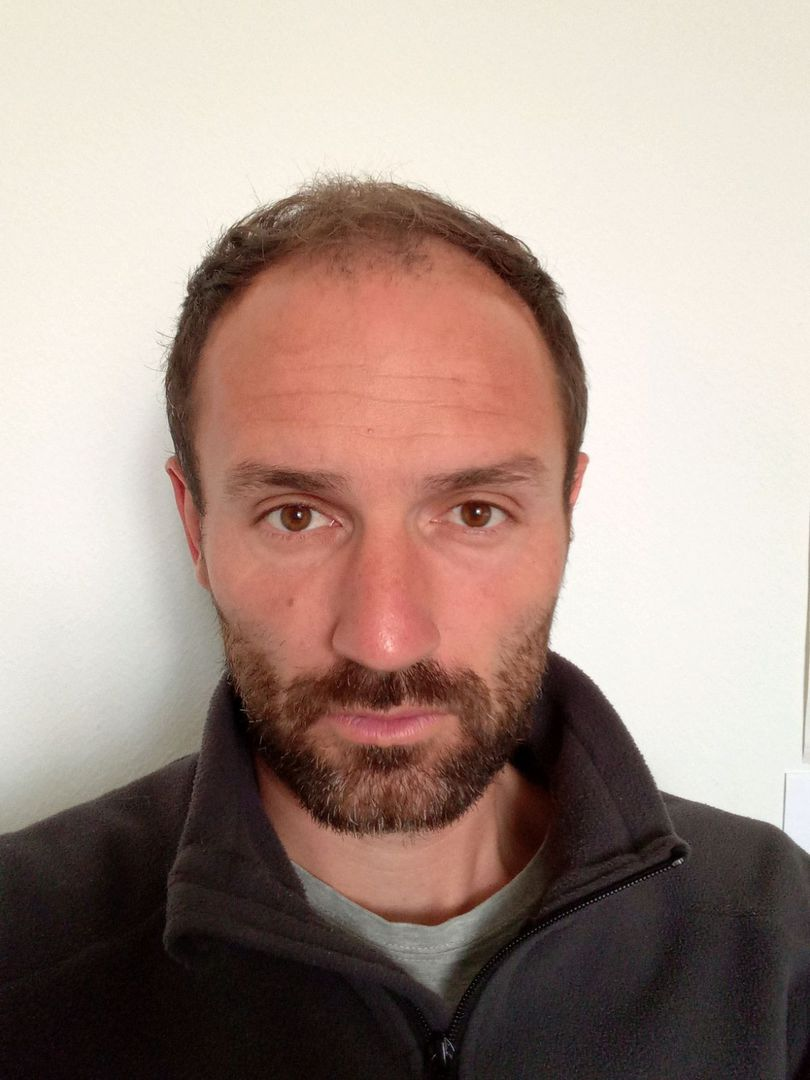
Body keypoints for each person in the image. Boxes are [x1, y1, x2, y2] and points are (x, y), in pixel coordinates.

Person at [1, 178, 808, 1079]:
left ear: (567, 510)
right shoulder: (22, 948)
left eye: (474, 512)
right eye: (297, 516)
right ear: (195, 528)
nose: (385, 640)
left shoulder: (777, 943)